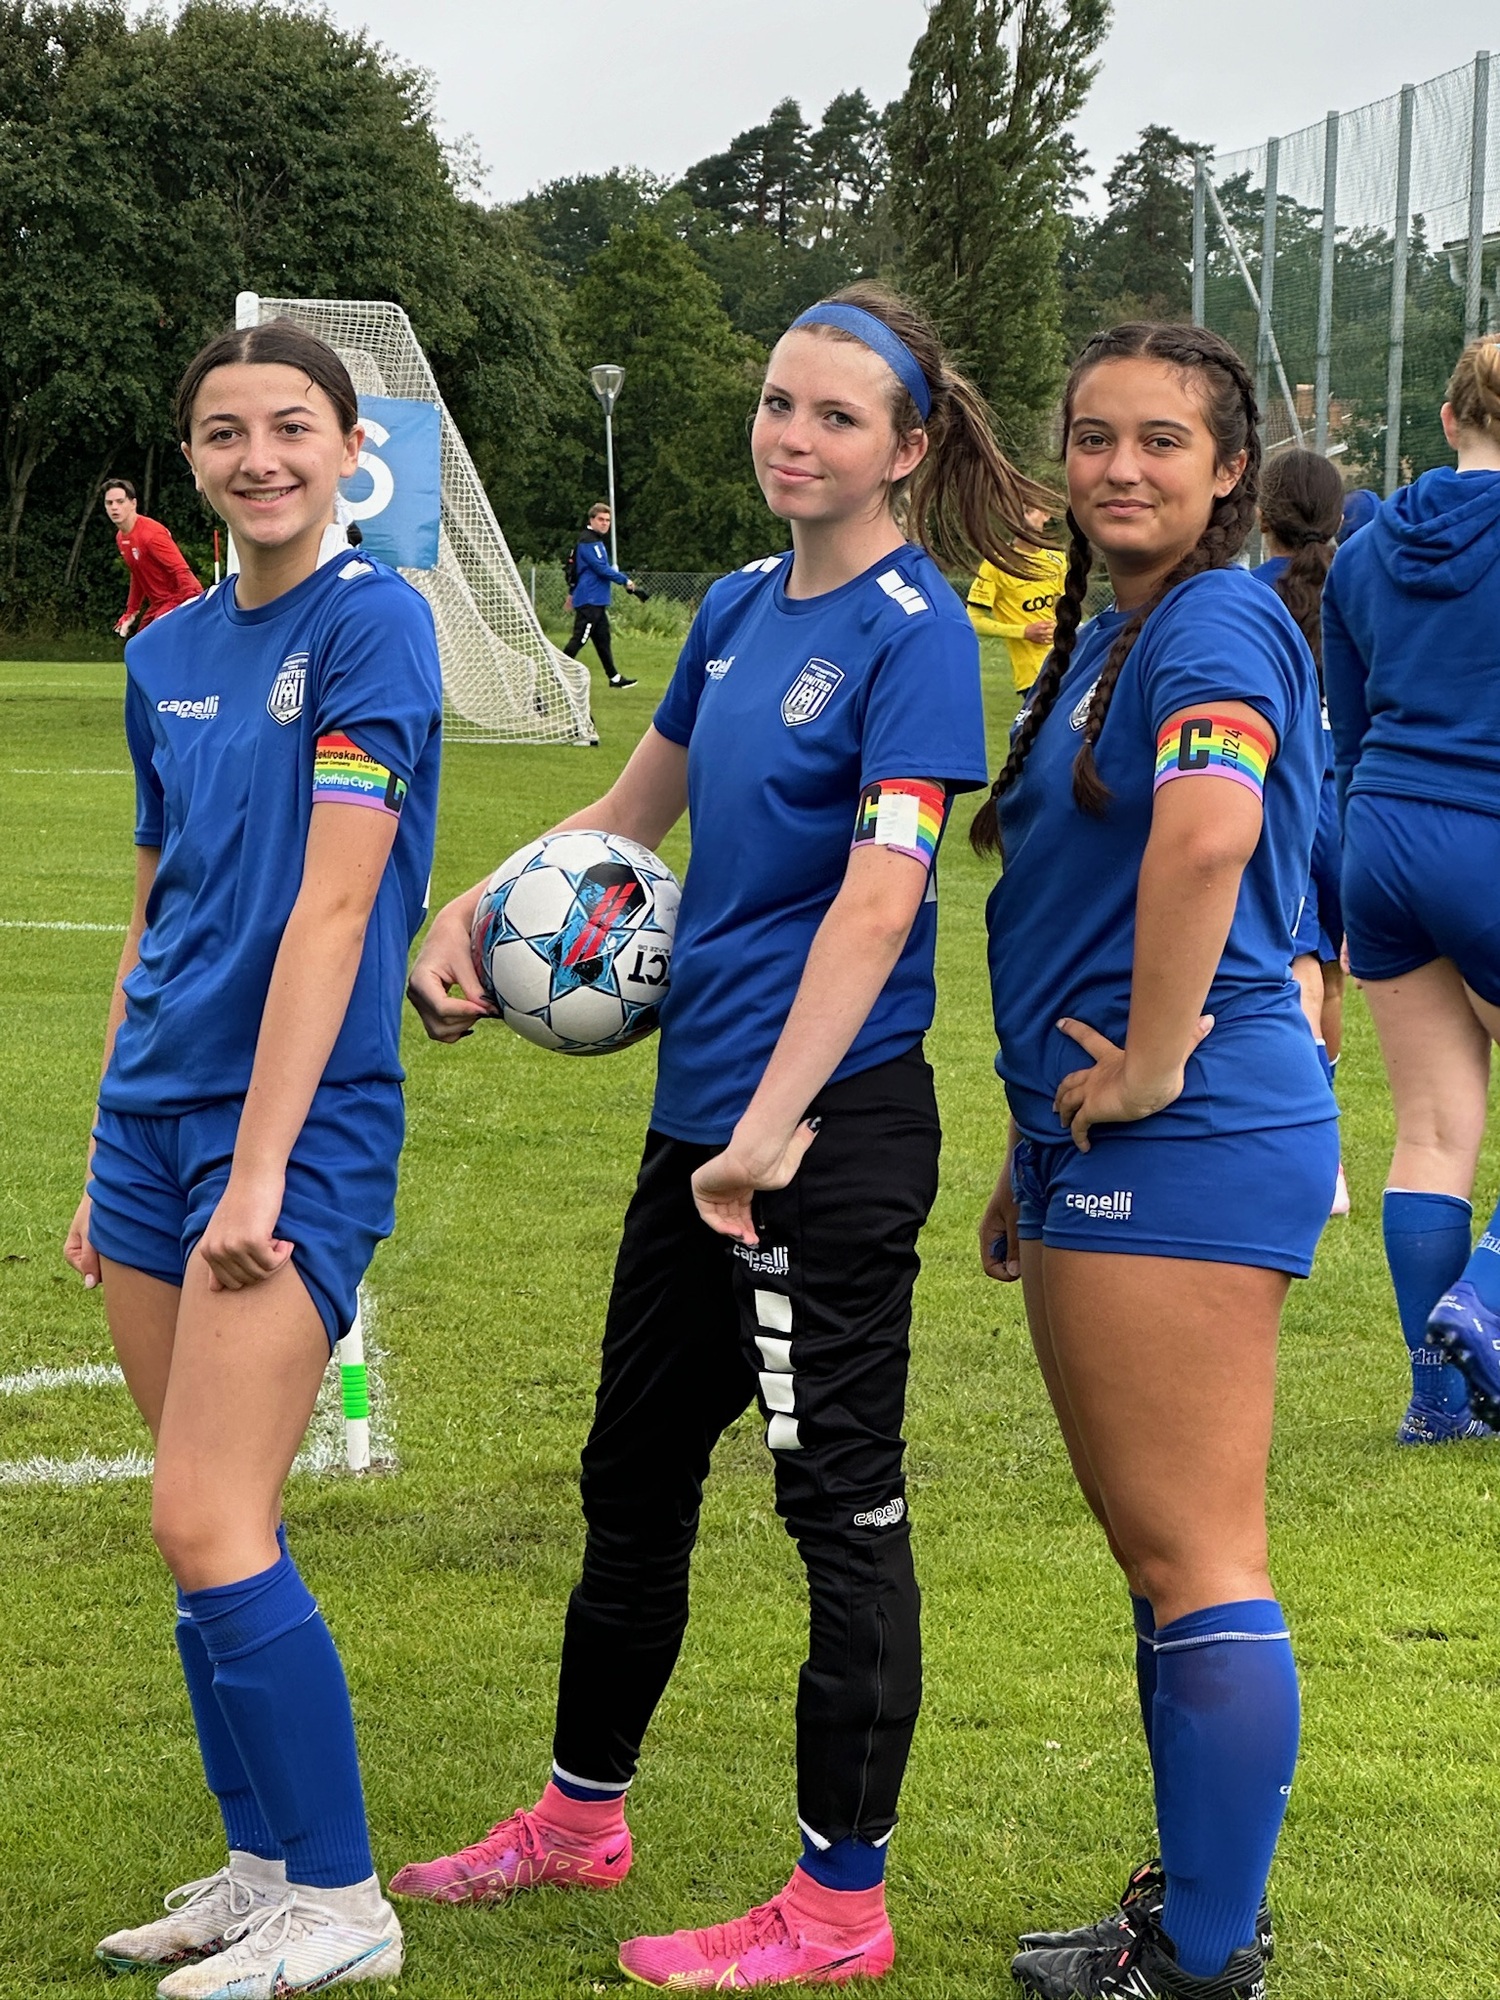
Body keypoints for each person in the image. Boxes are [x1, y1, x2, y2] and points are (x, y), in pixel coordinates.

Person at [396, 282, 1051, 1989]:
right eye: (778, 403)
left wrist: (771, 1128)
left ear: (907, 447)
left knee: (839, 1506)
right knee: (630, 1475)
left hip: (818, 1135)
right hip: (704, 1126)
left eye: (837, 415)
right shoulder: (740, 608)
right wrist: (474, 909)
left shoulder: (919, 634)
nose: (792, 435)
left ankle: (841, 1907)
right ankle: (578, 1817)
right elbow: (630, 812)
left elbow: (880, 899)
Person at [66, 319, 443, 1995]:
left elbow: (338, 900)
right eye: (226, 432)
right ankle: (260, 1870)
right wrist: (103, 1149)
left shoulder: (377, 628)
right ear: (195, 457)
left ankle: (346, 1905)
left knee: (214, 1514)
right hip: (151, 1125)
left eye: (292, 426)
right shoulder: (167, 653)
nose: (259, 456)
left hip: (287, 1130)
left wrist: (263, 1167)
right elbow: (159, 911)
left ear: (348, 445)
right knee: (197, 1520)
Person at [975, 323, 1335, 2000]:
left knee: (1198, 1558)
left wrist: (1155, 1061)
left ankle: (1200, 1963)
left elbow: (1209, 837)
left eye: (1161, 444)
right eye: (1096, 439)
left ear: (1227, 475)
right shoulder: (1130, 629)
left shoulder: (1217, 621)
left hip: (1181, 1132)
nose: (1121, 467)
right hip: (1115, 1138)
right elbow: (1079, 903)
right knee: (1169, 1557)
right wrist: (1028, 1136)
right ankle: (1191, 1918)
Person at [1323, 335, 1500, 1445]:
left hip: (1380, 831)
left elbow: (1346, 722)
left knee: (1433, 1125)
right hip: (1489, 822)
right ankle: (1481, 1304)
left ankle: (1441, 1404)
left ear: (1447, 419)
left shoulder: (1363, 547)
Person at [1252, 448, 1351, 1219]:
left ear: (1261, 513)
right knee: (1331, 967)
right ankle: (1323, 1133)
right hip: (1349, 803)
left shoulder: (1239, 599)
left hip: (1279, 800)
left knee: (1297, 968)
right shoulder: (1360, 590)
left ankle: (1315, 1141)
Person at [965, 503, 1067, 690]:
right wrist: (1024, 631)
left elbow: (1061, 607)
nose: (1020, 517)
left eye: (1028, 511)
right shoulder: (996, 564)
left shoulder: (1057, 558)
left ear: (1046, 514)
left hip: (1065, 662)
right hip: (1032, 675)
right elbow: (973, 620)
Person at [104, 478, 204, 636]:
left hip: (180, 597)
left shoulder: (151, 534)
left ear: (133, 504)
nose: (114, 507)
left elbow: (181, 570)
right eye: (109, 503)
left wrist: (195, 605)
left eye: (120, 501)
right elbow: (137, 574)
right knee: (139, 647)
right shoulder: (121, 538)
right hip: (159, 604)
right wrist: (131, 612)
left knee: (151, 645)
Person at [564, 503, 641, 689]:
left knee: (603, 639)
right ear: (591, 520)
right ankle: (556, 671)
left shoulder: (592, 541)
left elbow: (576, 571)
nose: (605, 523)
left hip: (596, 600)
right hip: (590, 600)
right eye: (601, 519)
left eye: (608, 520)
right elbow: (601, 569)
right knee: (580, 638)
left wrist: (571, 592)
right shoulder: (590, 542)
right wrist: (625, 581)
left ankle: (614, 678)